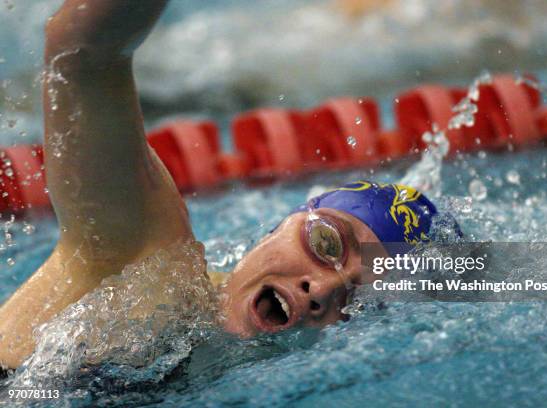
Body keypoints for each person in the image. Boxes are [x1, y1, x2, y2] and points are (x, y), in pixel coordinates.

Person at [0, 0, 455, 371]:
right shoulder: (143, 263)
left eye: (359, 300)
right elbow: (81, 51)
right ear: (279, 225)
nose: (321, 290)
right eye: (326, 242)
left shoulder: (247, 371)